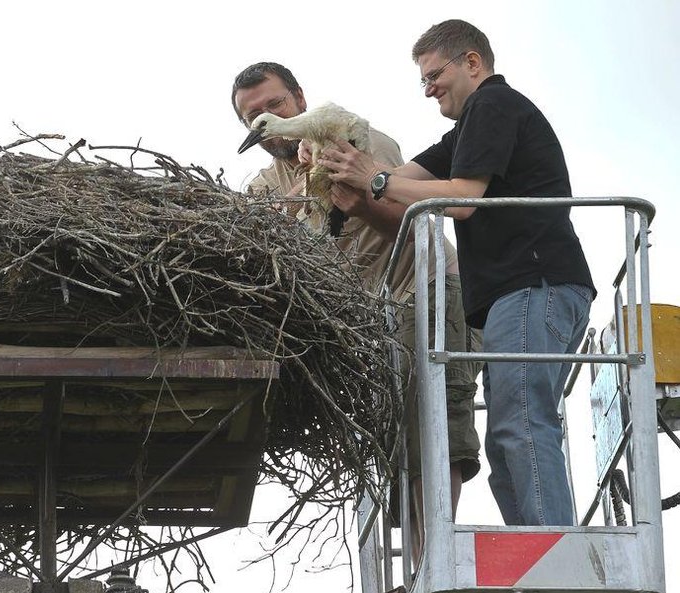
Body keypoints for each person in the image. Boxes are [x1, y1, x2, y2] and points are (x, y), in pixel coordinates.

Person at [319, 20, 595, 527]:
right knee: (506, 435)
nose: (428, 89)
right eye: (421, 81)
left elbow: (462, 199)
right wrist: (340, 171)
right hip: (518, 299)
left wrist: (372, 178)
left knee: (522, 426)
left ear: (472, 62)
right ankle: (534, 551)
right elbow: (405, 180)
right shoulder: (467, 129)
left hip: (536, 289)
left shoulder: (493, 104)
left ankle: (554, 552)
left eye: (433, 75)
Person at [231, 62, 482, 560]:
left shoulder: (354, 139)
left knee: (429, 423)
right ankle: (417, 560)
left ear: (299, 100)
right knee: (386, 438)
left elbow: (415, 225)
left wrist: (344, 197)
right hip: (365, 319)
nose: (266, 118)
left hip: (423, 287)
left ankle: (436, 559)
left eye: (274, 104)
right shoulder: (262, 186)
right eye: (252, 115)